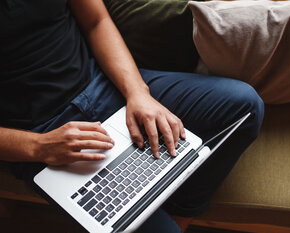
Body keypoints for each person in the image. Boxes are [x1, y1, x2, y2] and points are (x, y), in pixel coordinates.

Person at [0, 0, 264, 232]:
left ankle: (179, 211)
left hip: (103, 83)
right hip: (41, 133)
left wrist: (137, 92)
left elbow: (96, 21)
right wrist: (38, 147)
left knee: (244, 106)